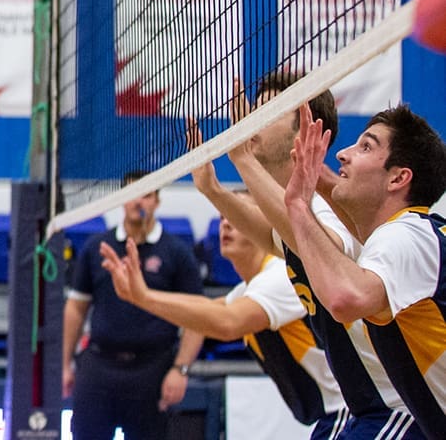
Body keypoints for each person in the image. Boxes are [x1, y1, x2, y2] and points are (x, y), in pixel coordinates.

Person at [195, 73, 424, 438]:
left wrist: (242, 160)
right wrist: (214, 190)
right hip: (363, 408)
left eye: (266, 110)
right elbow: (276, 238)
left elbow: (317, 247)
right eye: (253, 108)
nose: (250, 118)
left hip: (396, 407)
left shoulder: (327, 206)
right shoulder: (300, 211)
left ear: (304, 128)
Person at [100, 203, 347, 438]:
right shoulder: (252, 287)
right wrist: (140, 297)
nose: (226, 225)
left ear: (262, 226)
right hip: (330, 413)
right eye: (222, 218)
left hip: (345, 409)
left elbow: (227, 323)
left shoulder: (280, 276)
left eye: (236, 217)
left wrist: (144, 297)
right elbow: (205, 311)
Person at [285, 103, 446, 435]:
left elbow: (346, 299)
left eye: (365, 146)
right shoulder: (415, 234)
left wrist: (298, 206)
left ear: (399, 178)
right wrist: (309, 175)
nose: (343, 153)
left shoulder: (403, 235)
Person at [62, 176, 203, 440]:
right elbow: (76, 308)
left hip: (152, 368)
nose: (139, 200)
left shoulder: (177, 252)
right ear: (121, 199)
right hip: (100, 364)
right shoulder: (97, 248)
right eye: (134, 193)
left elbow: (197, 315)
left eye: (147, 194)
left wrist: (180, 369)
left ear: (157, 201)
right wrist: (65, 363)